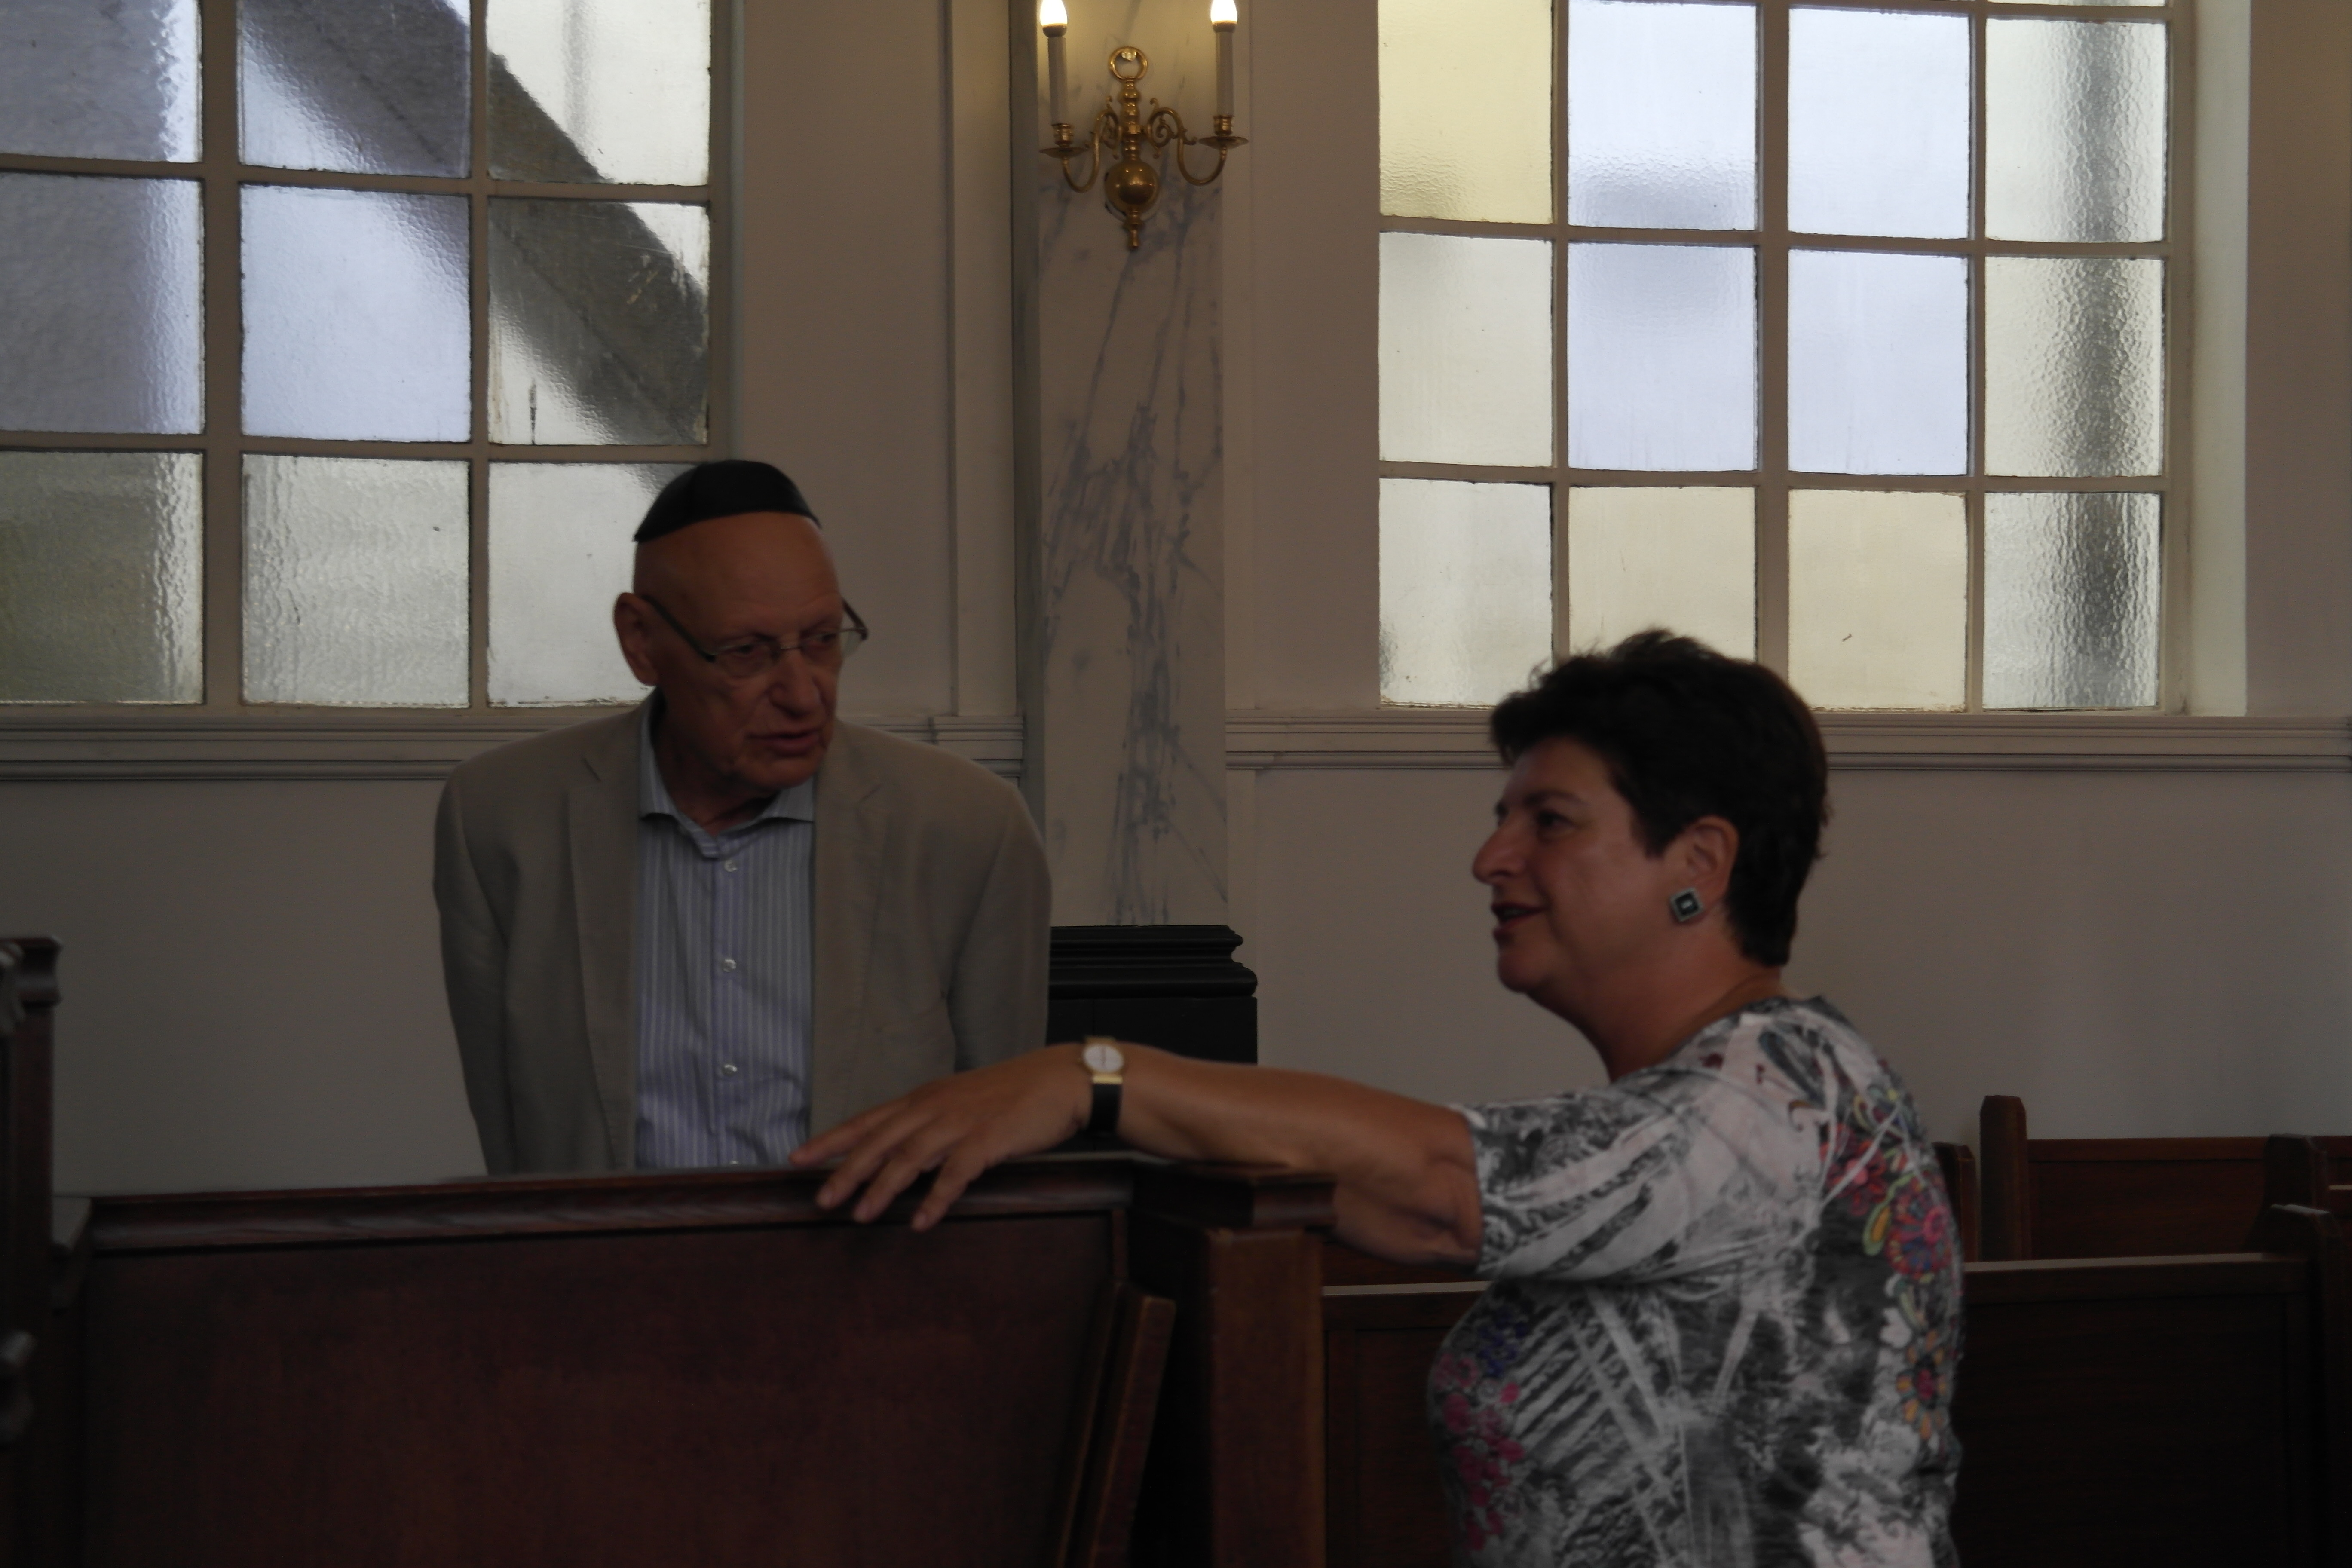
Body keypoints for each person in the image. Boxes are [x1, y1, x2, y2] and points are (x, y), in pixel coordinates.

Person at [796, 631, 1962, 1567]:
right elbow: (1383, 1192)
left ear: (1699, 865)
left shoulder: (1786, 1098)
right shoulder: (1717, 1098)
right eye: (1503, 819)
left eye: (1550, 822)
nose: (1492, 859)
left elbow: (1440, 1187)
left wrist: (1094, 1077)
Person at [435, 460, 1050, 1176]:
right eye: (746, 653)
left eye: (823, 639)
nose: (803, 695)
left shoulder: (969, 827)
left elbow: (997, 1138)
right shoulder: (502, 819)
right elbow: (513, 1138)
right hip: (610, 1248)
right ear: (641, 641)